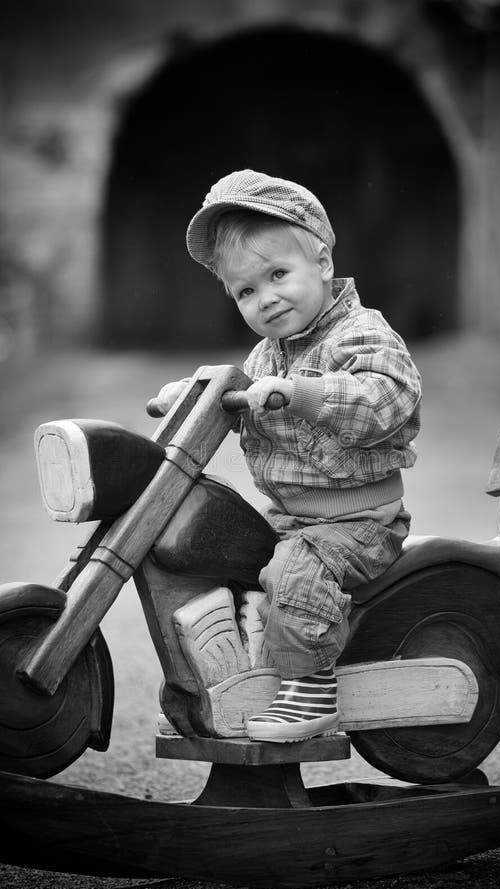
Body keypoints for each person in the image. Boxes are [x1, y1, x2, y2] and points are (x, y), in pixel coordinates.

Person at [155, 169, 422, 743]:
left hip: (358, 522)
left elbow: (388, 397)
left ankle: (312, 689)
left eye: (278, 274)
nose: (266, 298)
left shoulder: (359, 334)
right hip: (293, 521)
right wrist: (192, 397)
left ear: (322, 263)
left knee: (296, 573)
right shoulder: (266, 355)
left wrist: (309, 394)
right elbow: (233, 394)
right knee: (221, 553)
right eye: (246, 291)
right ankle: (232, 683)